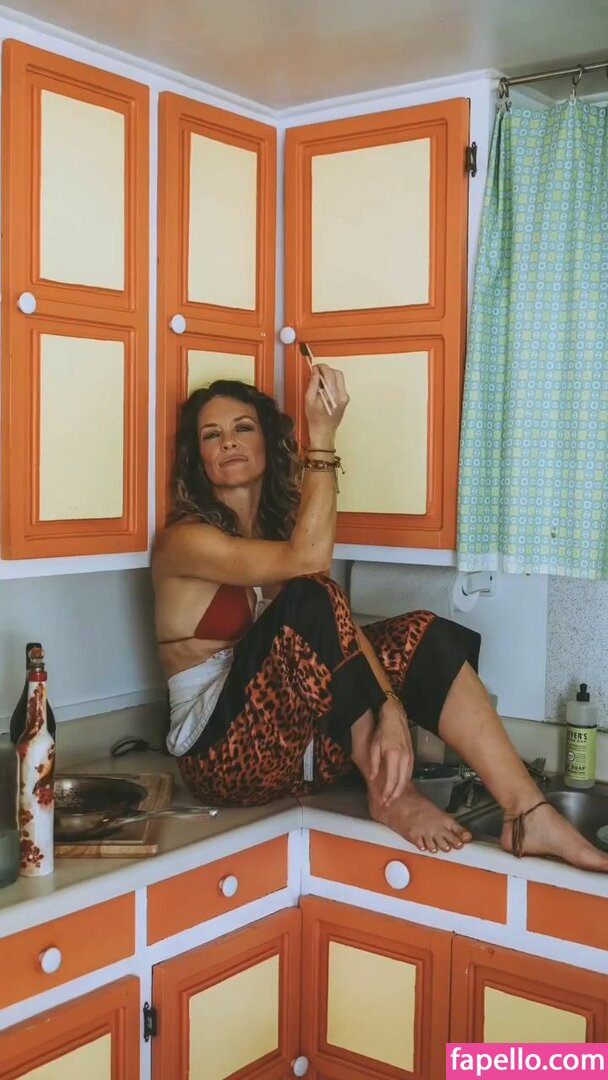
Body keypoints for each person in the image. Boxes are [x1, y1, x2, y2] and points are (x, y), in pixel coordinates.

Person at [152, 368, 608, 872]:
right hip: (225, 761)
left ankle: (527, 812)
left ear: (266, 441)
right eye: (211, 434)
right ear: (197, 457)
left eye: (243, 427)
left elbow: (336, 625)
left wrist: (389, 704)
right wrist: (323, 434)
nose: (228, 442)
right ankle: (392, 795)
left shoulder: (279, 536)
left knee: (418, 633)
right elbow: (311, 570)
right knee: (311, 593)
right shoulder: (184, 543)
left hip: (302, 756)